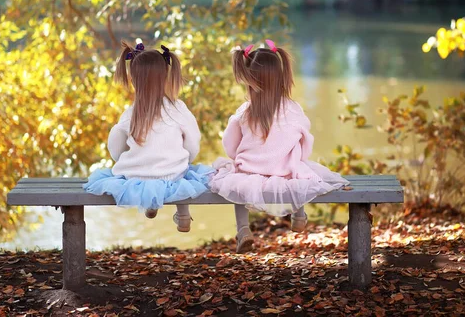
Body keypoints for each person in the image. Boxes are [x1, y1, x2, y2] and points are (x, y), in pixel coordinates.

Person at [210, 40, 349, 252]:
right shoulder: (293, 109)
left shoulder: (245, 112)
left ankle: (243, 229)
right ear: (282, 78)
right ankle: (299, 215)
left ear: (249, 80)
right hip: (284, 171)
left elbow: (230, 146)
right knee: (300, 175)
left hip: (249, 171)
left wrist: (244, 155)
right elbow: (305, 143)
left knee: (236, 184)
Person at [84, 40, 213, 232]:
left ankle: (150, 204)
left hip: (136, 177)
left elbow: (115, 148)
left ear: (134, 80)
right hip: (171, 174)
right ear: (165, 77)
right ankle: (183, 215)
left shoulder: (131, 113)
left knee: (155, 174)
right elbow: (193, 142)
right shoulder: (178, 109)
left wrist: (125, 158)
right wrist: (184, 159)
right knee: (184, 177)